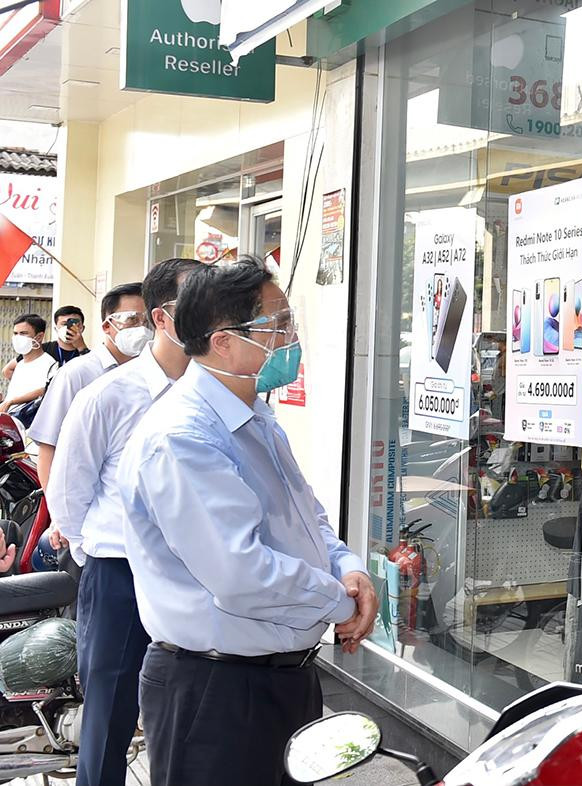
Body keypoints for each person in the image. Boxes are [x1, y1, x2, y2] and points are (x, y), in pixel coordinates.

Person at [118, 258, 378, 786]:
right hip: (216, 689)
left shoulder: (256, 417)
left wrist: (348, 567)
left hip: (283, 676)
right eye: (277, 326)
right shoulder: (183, 437)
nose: (291, 338)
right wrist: (339, 601)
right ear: (224, 341)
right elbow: (240, 574)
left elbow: (307, 517)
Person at [47, 259, 201, 786]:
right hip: (120, 573)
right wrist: (99, 556)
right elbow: (68, 490)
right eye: (197, 303)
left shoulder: (215, 391)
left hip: (197, 575)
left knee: (189, 714)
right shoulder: (107, 395)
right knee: (110, 714)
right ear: (164, 317)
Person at [31, 283, 149, 493]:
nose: (141, 328)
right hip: (85, 501)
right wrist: (58, 516)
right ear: (107, 326)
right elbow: (48, 447)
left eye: (146, 321)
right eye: (132, 320)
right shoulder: (77, 374)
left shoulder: (149, 372)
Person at [1, 305, 89, 381]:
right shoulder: (41, 350)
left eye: (75, 324)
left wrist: (81, 347)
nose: (69, 328)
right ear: (56, 329)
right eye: (64, 324)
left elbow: (90, 372)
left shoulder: (88, 354)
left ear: (82, 328)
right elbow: (7, 370)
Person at [1, 314, 56, 416]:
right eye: (15, 333)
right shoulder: (20, 364)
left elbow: (44, 390)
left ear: (39, 337)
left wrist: (11, 401)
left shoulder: (49, 364)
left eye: (23, 333)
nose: (18, 338)